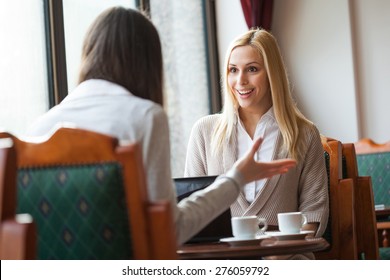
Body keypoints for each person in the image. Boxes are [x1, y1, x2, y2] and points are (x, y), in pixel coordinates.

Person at [25, 7, 296, 245]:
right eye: (232, 70)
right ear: (147, 63)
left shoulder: (39, 128)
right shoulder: (145, 117)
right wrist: (235, 179)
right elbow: (170, 229)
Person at [184, 28, 329, 241]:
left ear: (272, 74)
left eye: (252, 69)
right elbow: (192, 212)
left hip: (285, 261)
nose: (240, 80)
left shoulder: (305, 134)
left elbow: (314, 212)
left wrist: (282, 253)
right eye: (233, 70)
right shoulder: (204, 132)